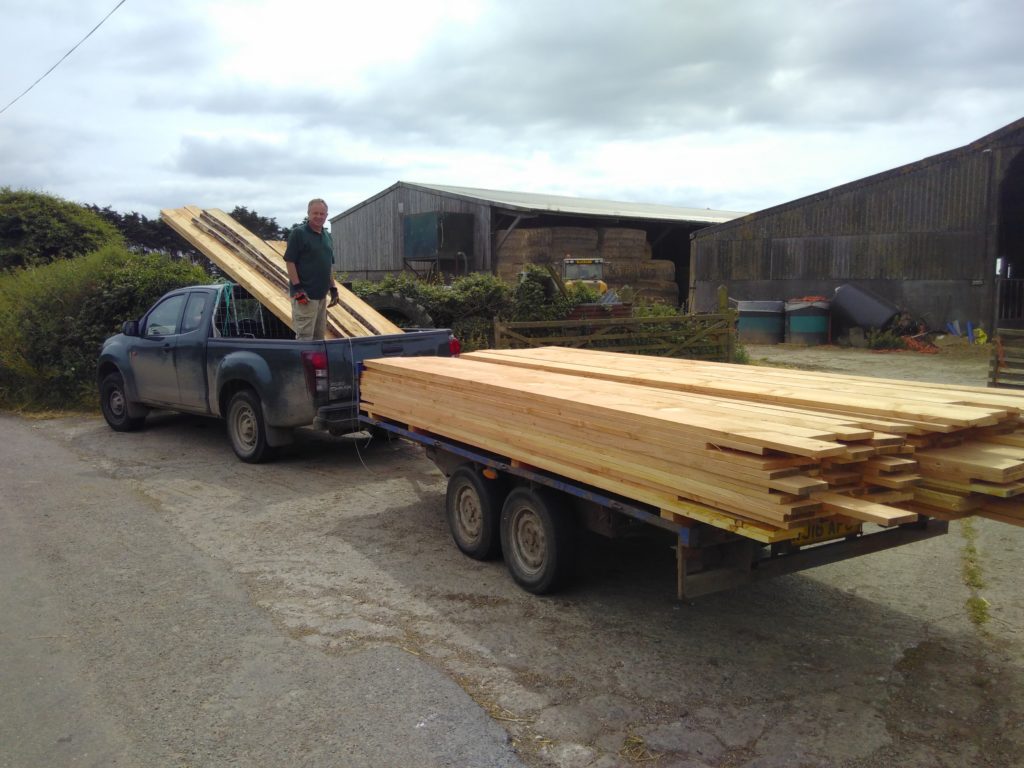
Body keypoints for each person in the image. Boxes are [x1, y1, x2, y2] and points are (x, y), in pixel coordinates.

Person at [283, 198, 339, 340]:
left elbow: (327, 265)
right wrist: (298, 288)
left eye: (322, 214)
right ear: (308, 213)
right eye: (315, 213)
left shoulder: (327, 236)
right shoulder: (299, 234)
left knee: (319, 338)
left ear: (327, 215)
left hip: (321, 296)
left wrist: (333, 288)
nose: (319, 216)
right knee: (305, 338)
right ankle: (303, 363)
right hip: (305, 297)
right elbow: (290, 261)